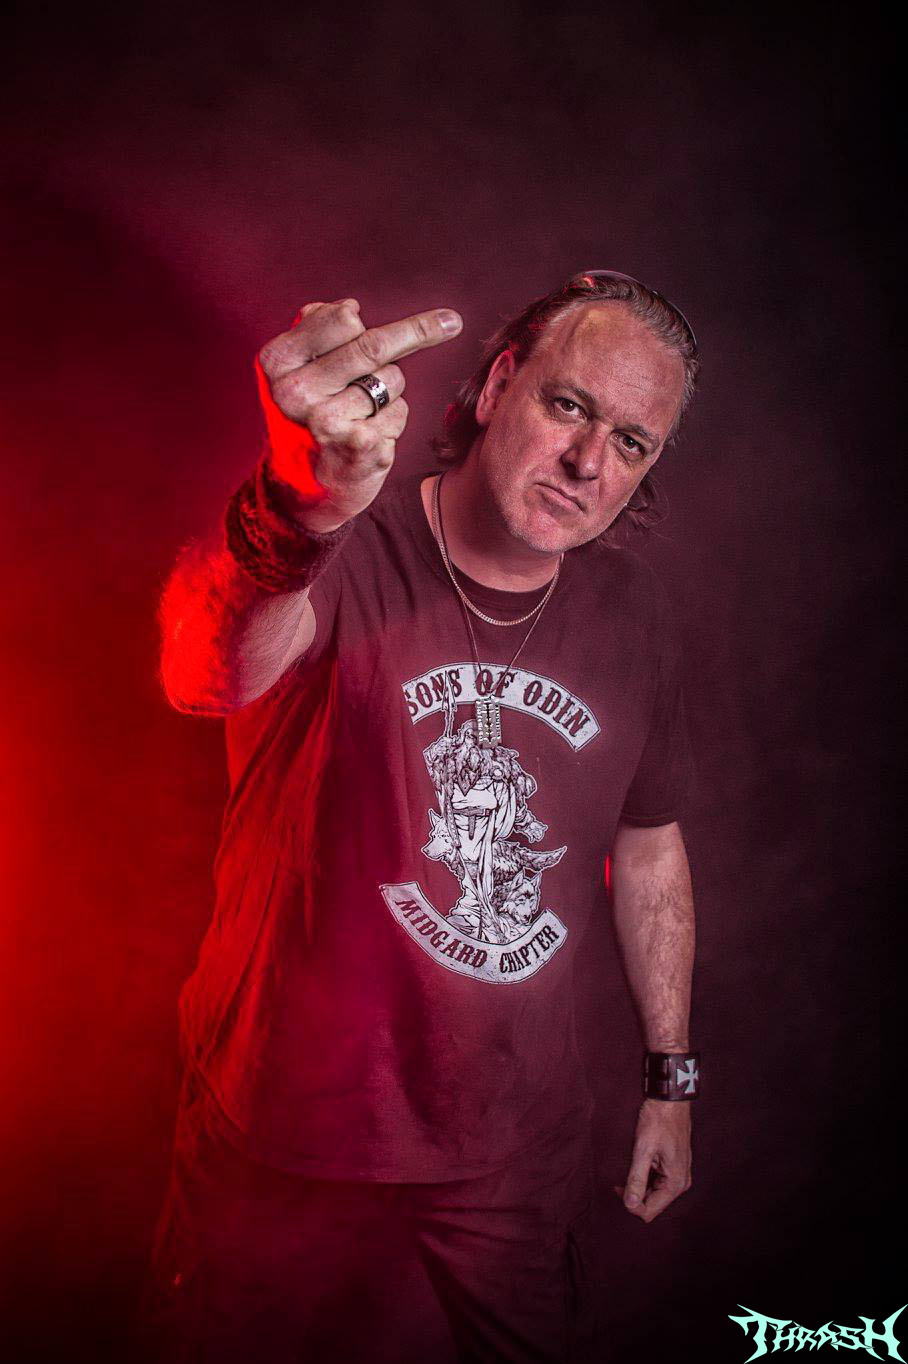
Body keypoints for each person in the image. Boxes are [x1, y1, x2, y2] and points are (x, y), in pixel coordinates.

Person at [145, 270, 701, 1363]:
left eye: (631, 442)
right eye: (570, 406)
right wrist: (298, 509)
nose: (589, 463)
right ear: (497, 387)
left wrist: (670, 1077)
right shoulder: (348, 541)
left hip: (510, 1139)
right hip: (282, 1120)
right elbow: (203, 677)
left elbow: (649, 843)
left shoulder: (632, 615)